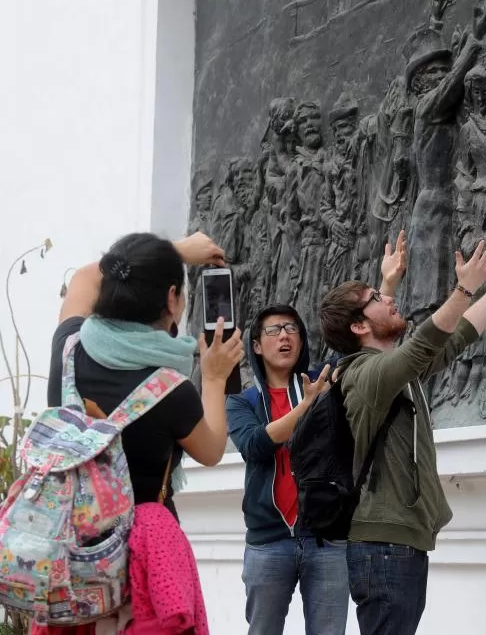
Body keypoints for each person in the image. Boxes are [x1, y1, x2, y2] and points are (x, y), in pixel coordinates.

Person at [319, 233, 486, 635]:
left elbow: (457, 337)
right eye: (376, 298)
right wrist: (464, 287)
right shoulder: (364, 375)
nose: (389, 297)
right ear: (357, 325)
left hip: (398, 545)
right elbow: (424, 343)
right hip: (384, 548)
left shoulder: (390, 371)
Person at [227, 232, 407, 635]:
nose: (285, 336)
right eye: (274, 330)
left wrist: (388, 285)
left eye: (292, 328)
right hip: (267, 542)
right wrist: (307, 405)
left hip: (325, 539)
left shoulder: (325, 378)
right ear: (256, 345)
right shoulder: (243, 403)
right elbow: (256, 445)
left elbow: (366, 351)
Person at [50, 231, 242, 519]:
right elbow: (212, 449)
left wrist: (173, 251)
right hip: (141, 551)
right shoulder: (171, 391)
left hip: (70, 540)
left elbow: (85, 277)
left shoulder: (69, 348)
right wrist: (214, 378)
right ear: (171, 298)